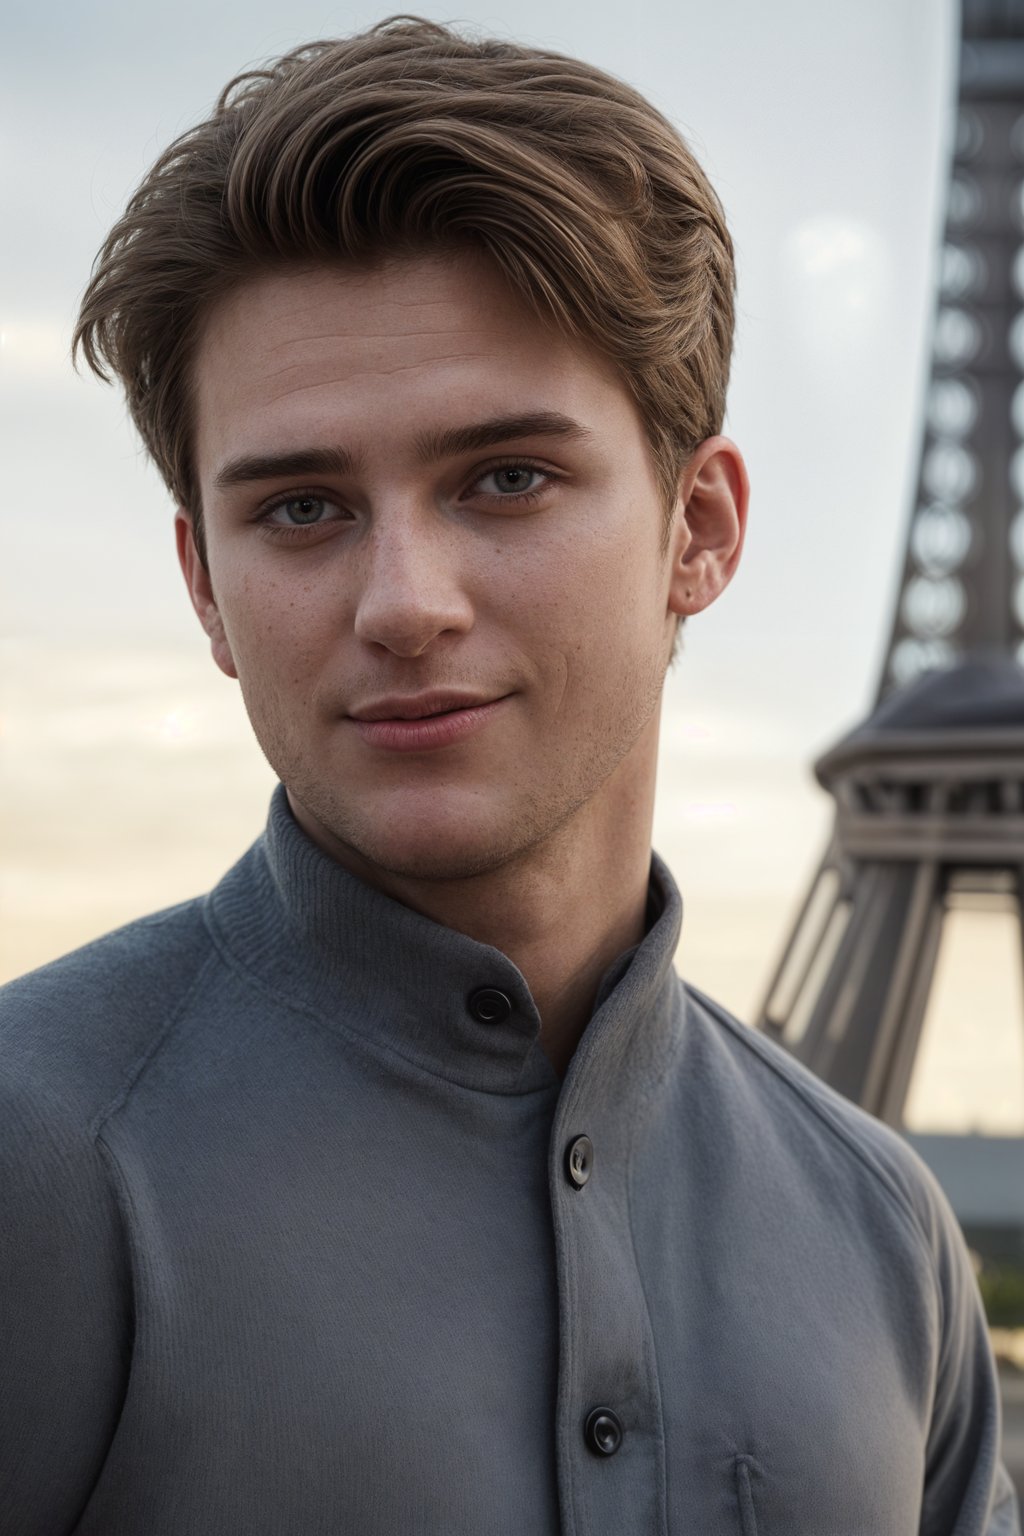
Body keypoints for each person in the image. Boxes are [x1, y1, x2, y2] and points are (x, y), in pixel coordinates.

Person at [1, 15, 1018, 1535]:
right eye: (299, 509)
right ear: (205, 588)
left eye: (507, 478)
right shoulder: (30, 1161)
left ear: (702, 531)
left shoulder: (888, 1238)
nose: (405, 601)